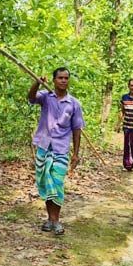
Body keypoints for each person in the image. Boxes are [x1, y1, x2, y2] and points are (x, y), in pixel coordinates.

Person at [28, 67, 84, 235]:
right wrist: (37, 84)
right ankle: (49, 219)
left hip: (60, 149)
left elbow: (77, 129)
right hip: (44, 146)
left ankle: (56, 220)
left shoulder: (74, 103)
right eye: (60, 78)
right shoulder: (46, 97)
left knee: (57, 183)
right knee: (46, 182)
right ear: (54, 80)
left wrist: (75, 154)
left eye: (66, 78)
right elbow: (31, 98)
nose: (63, 81)